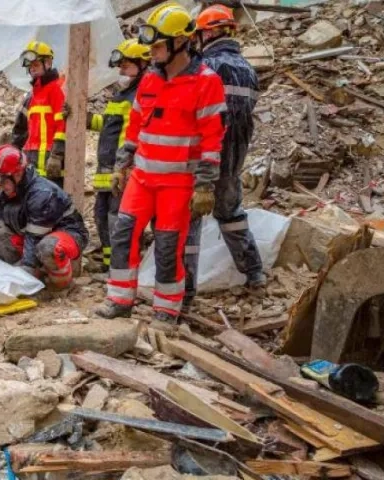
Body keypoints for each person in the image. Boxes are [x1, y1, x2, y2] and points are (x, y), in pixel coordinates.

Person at [95, 3, 226, 324]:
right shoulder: (151, 80)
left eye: (157, 45)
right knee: (124, 234)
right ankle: (120, 298)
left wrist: (206, 185)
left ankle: (166, 309)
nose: (151, 52)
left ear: (180, 42)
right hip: (142, 178)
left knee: (168, 246)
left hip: (177, 183)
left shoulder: (206, 82)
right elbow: (135, 127)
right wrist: (122, 165)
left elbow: (213, 139)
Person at [183, 4, 264, 310]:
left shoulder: (205, 68)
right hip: (233, 160)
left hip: (204, 158)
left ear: (211, 31)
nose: (198, 38)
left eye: (200, 32)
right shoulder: (249, 69)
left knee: (189, 224)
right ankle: (254, 273)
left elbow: (198, 118)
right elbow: (246, 117)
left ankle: (186, 293)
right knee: (231, 217)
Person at [86, 39, 151, 271]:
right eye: (120, 67)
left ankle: (123, 266)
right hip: (107, 169)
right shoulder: (122, 96)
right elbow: (109, 126)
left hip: (122, 169)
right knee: (102, 215)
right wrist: (86, 120)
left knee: (118, 217)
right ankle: (109, 264)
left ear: (143, 64)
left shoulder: (140, 96)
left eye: (126, 66)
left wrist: (127, 167)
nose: (121, 72)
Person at [0, 145, 88, 290]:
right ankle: (38, 278)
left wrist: (26, 270)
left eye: (3, 181)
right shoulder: (5, 194)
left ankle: (61, 286)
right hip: (35, 236)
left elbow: (35, 237)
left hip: (68, 233)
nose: (0, 186)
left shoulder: (41, 194)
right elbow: (0, 228)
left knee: (48, 248)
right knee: (1, 237)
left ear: (17, 175)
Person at [11, 41, 66, 187]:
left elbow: (62, 125)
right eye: (30, 66)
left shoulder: (55, 89)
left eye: (35, 65)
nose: (32, 69)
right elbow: (23, 131)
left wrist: (56, 156)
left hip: (50, 164)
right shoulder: (34, 95)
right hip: (32, 163)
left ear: (47, 63)